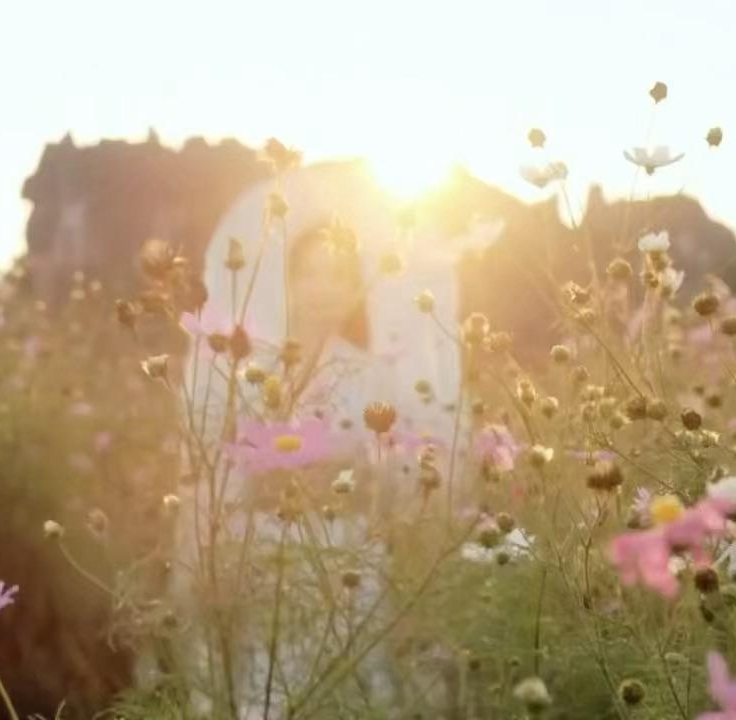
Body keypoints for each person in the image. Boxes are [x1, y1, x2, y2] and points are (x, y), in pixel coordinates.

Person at [167, 160, 502, 717]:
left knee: (352, 690)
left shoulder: (371, 376)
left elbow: (390, 471)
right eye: (311, 274)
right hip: (263, 555)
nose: (323, 289)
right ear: (289, 280)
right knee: (267, 690)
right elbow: (218, 468)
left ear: (355, 289)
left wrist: (353, 476)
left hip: (346, 555)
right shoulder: (248, 370)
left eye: (338, 276)